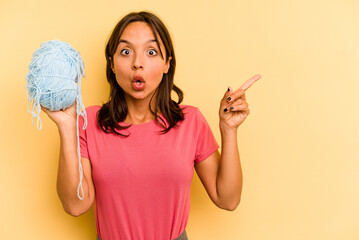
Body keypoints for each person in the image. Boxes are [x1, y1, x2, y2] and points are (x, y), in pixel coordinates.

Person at [42, 11, 261, 240]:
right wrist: (67, 127)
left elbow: (227, 199)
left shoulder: (191, 121)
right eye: (126, 52)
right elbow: (76, 206)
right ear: (112, 64)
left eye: (151, 52)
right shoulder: (89, 122)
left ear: (167, 64)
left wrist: (229, 130)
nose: (138, 63)